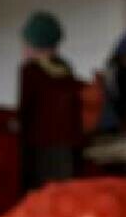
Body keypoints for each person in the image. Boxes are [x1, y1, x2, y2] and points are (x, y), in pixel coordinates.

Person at [18, 11, 84, 191]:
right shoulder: (65, 68)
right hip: (69, 146)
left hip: (40, 147)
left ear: (33, 44)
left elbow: (25, 108)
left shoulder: (30, 72)